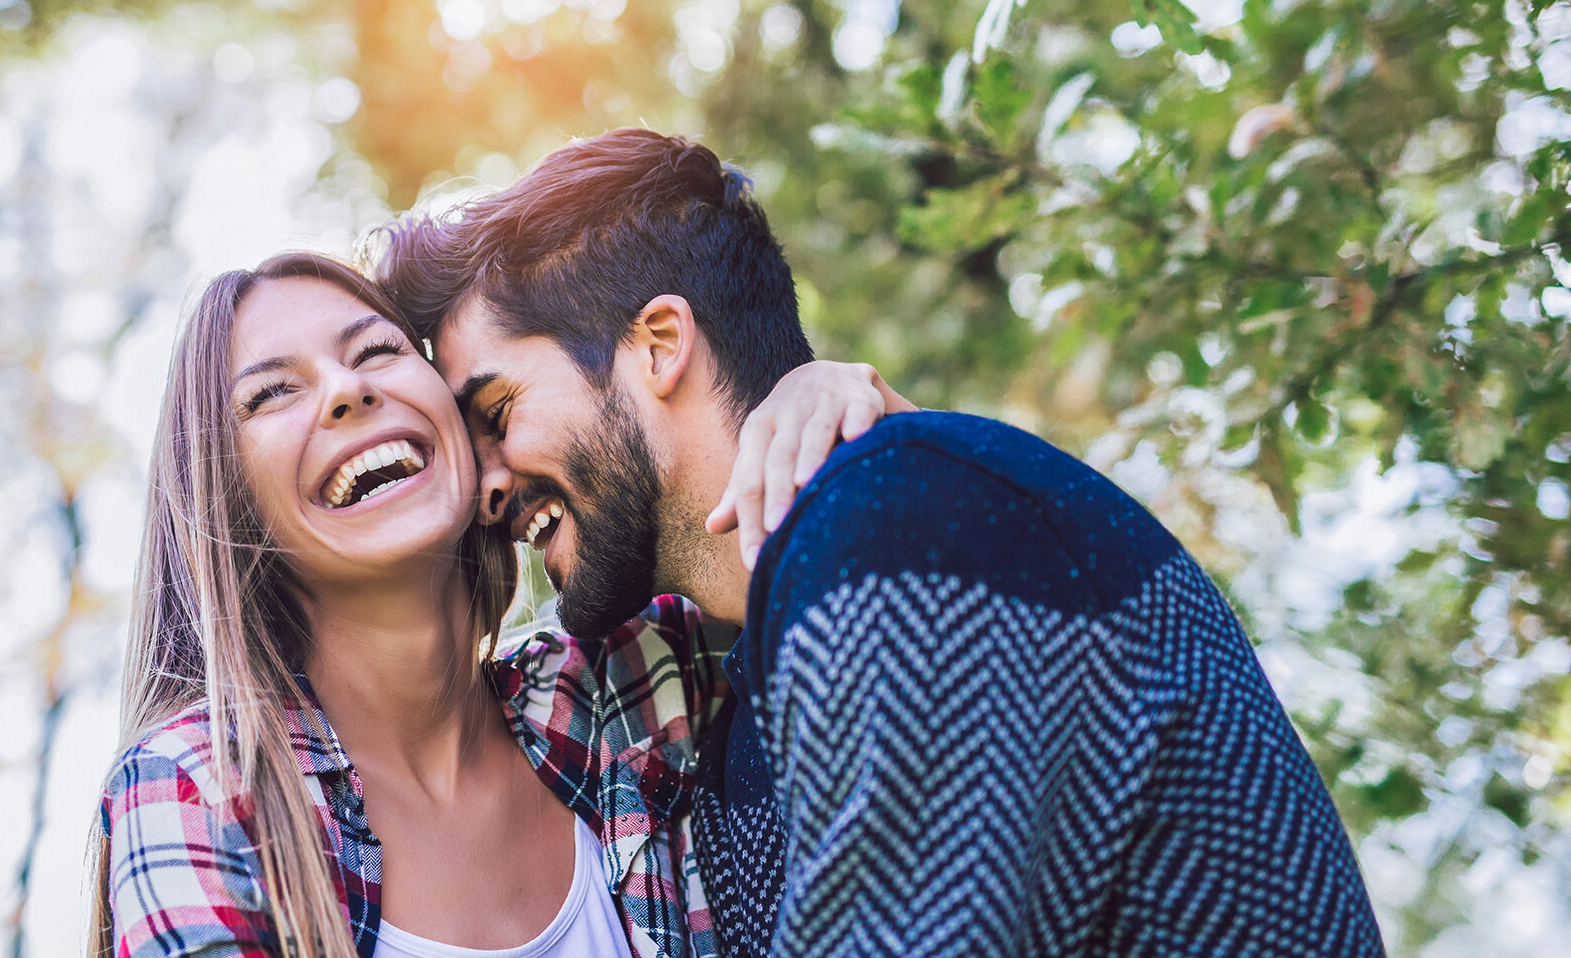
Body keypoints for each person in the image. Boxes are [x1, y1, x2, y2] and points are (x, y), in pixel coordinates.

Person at [378, 128, 1388, 957]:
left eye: (498, 411)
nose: (487, 490)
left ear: (658, 345)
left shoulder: (906, 521)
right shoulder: (722, 703)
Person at [85, 251, 898, 958]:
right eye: (269, 396)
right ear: (228, 503)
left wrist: (836, 413)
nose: (346, 390)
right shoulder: (197, 790)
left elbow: (883, 603)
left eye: (376, 351)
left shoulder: (622, 689)